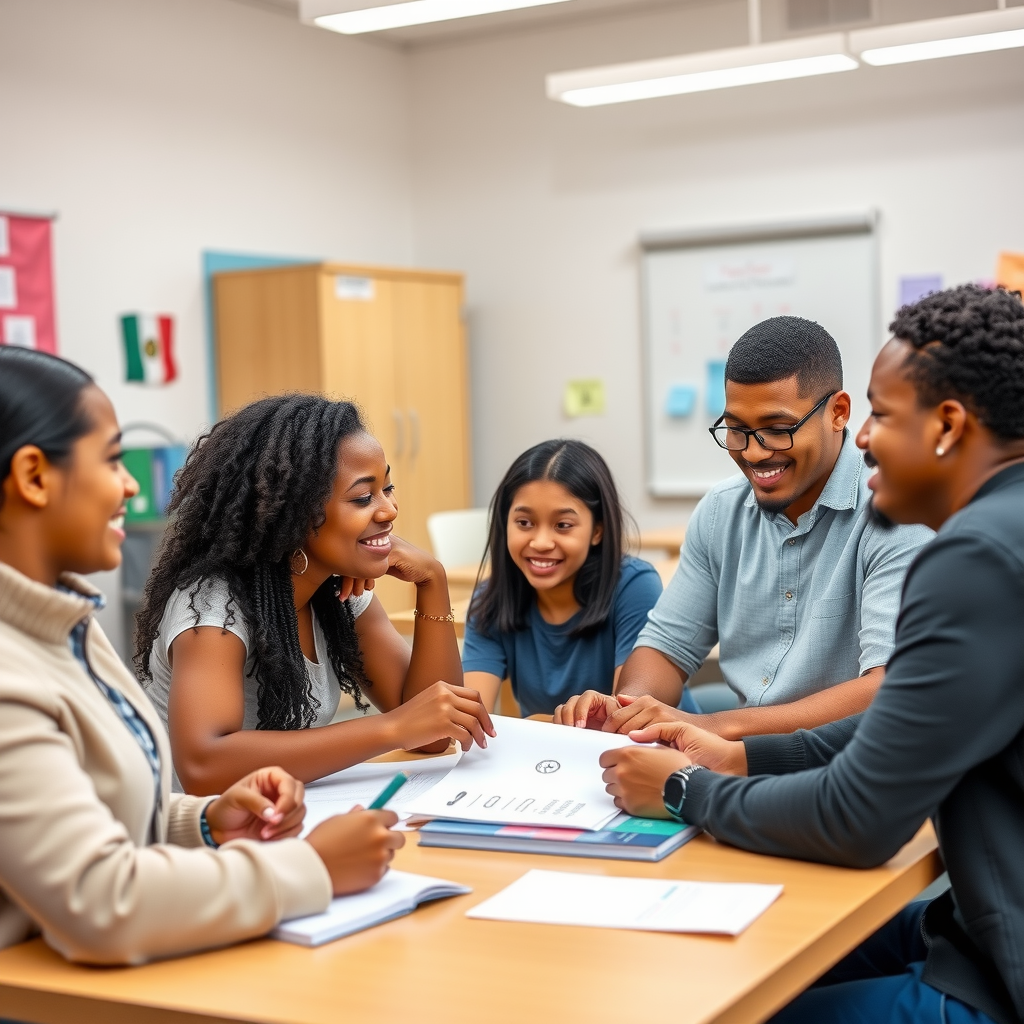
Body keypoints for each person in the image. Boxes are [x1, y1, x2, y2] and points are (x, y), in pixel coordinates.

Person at [601, 285, 1024, 1024]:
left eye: (882, 416)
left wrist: (684, 790)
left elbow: (860, 820)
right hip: (975, 916)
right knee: (747, 960)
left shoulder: (974, 559)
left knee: (722, 1004)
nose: (865, 439)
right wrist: (744, 758)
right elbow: (912, 715)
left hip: (1003, 964)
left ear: (949, 426)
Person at [0, 348, 403, 964]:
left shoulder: (64, 628)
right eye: (112, 461)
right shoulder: (12, 670)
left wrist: (206, 821)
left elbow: (92, 815)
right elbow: (100, 902)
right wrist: (312, 865)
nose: (131, 486)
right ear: (32, 477)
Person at [556, 316, 931, 738]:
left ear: (838, 413)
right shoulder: (720, 511)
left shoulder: (895, 510)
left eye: (776, 429)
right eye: (736, 430)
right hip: (737, 765)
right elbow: (666, 647)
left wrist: (713, 726)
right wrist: (627, 709)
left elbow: (887, 687)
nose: (754, 453)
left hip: (842, 772)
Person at [136, 394, 494, 795]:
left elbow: (432, 733)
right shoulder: (215, 607)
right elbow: (204, 768)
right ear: (291, 512)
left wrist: (433, 583)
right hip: (197, 842)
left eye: (387, 488)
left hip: (283, 821)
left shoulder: (335, 589)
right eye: (362, 497)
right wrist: (392, 728)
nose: (389, 510)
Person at [461, 440, 662, 717]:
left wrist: (535, 723)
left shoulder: (634, 586)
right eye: (524, 523)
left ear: (597, 531)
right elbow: (468, 718)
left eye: (563, 526)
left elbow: (623, 723)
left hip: (659, 754)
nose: (541, 542)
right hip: (549, 758)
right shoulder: (492, 598)